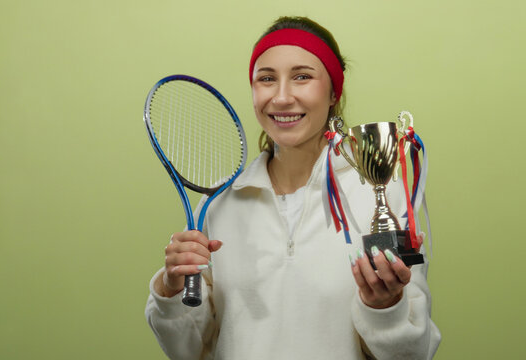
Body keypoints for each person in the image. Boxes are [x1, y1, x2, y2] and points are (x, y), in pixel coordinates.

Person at [145, 16, 441, 359]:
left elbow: (415, 354)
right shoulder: (219, 202)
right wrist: (170, 288)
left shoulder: (385, 195)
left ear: (333, 92)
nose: (282, 97)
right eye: (267, 79)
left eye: (302, 77)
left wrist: (385, 307)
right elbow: (185, 349)